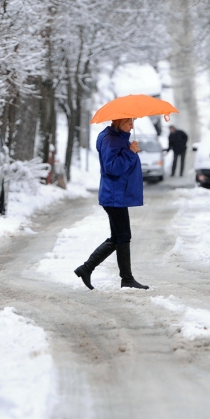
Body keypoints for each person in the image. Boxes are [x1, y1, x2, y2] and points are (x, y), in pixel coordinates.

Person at [74, 118, 150, 290]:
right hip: (115, 195)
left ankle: (86, 269)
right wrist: (131, 152)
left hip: (116, 194)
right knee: (123, 236)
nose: (132, 125)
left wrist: (129, 148)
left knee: (118, 238)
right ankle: (126, 279)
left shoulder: (115, 137)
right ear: (119, 122)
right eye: (129, 122)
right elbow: (112, 168)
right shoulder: (111, 139)